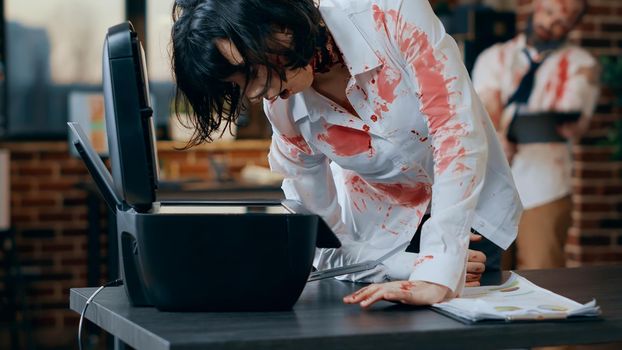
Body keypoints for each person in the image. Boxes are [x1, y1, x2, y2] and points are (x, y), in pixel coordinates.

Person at [171, 0, 522, 307]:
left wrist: (439, 263)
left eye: (252, 71)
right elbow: (319, 233)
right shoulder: (283, 108)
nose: (255, 93)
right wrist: (406, 264)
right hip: (381, 243)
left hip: (470, 211)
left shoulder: (388, 12)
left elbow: (455, 130)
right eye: (239, 84)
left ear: (278, 23)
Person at [472, 0, 599, 270]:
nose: (553, 23)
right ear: (538, 7)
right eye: (550, 12)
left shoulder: (581, 63)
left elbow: (571, 116)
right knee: (489, 275)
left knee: (544, 275)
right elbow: (483, 111)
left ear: (574, 25)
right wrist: (501, 134)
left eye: (564, 20)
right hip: (491, 187)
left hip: (545, 187)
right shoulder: (493, 57)